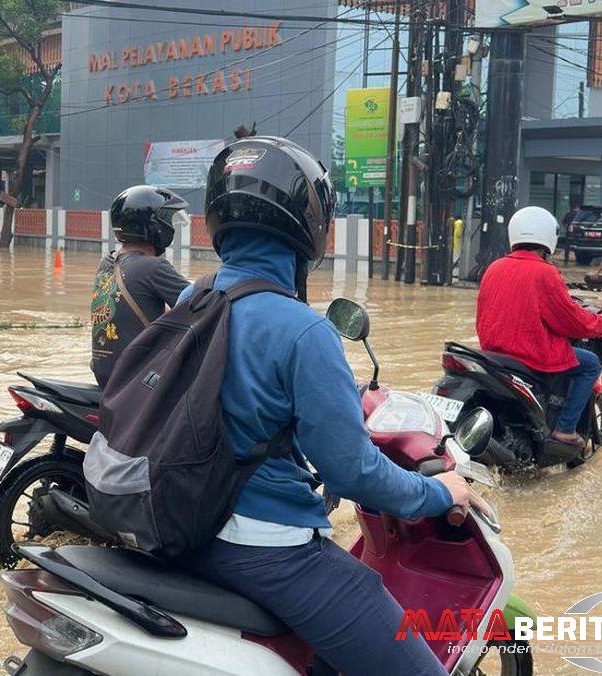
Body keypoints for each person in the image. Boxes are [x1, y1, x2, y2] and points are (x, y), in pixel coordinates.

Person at [175, 136, 486, 676]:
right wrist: (439, 491)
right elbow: (353, 470)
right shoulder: (305, 331)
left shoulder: (193, 299)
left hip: (185, 526)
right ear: (307, 226)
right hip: (267, 545)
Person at [476, 206, 602, 447]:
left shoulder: (493, 268)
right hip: (530, 353)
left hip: (494, 354)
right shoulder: (545, 272)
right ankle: (565, 430)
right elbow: (569, 319)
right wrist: (601, 322)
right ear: (548, 237)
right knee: (590, 364)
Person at [89, 185, 190, 386]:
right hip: (137, 380)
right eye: (168, 220)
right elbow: (203, 302)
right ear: (155, 225)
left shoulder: (108, 261)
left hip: (106, 376)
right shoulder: (153, 267)